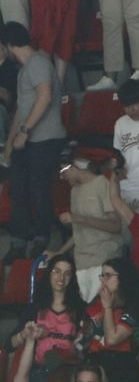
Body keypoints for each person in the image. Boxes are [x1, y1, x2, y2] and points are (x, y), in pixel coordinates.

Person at [3, 20, 69, 255]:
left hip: (45, 139)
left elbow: (45, 96)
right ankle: (19, 240)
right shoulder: (24, 70)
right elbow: (21, 111)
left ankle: (42, 237)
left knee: (39, 189)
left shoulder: (39, 62)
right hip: (28, 140)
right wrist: (10, 144)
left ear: (9, 45)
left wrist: (25, 132)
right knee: (18, 188)